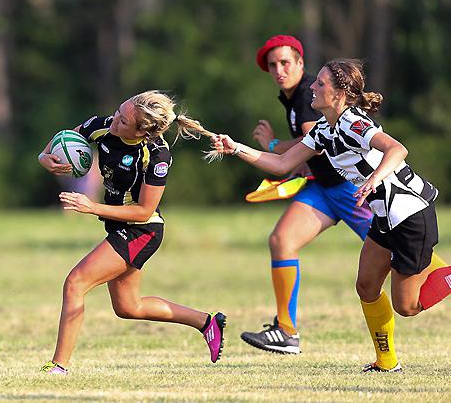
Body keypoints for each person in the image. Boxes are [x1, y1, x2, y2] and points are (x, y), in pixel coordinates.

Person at [210, 58, 451, 372]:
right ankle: (386, 363)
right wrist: (236, 148)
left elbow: (397, 149)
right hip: (384, 218)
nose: (312, 86)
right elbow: (283, 164)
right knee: (366, 286)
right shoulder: (326, 128)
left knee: (407, 306)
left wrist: (375, 178)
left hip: (409, 214)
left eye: (320, 84)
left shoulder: (355, 123)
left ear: (339, 94)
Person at [38, 90, 226, 375]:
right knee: (129, 307)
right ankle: (206, 322)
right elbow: (66, 136)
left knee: (75, 283)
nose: (115, 121)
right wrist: (44, 156)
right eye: (119, 111)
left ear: (142, 131)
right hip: (119, 226)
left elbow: (143, 210)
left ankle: (58, 367)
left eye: (123, 121)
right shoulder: (103, 125)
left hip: (142, 231)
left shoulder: (156, 154)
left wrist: (92, 207)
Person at [240, 35, 373, 354]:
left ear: (300, 63)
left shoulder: (309, 94)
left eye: (285, 62)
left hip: (350, 188)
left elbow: (310, 139)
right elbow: (314, 147)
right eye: (272, 65)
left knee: (400, 249)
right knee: (281, 241)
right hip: (323, 188)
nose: (278, 70)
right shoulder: (295, 97)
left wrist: (272, 146)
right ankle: (286, 331)